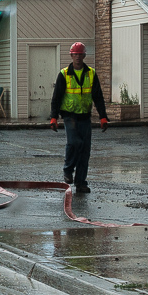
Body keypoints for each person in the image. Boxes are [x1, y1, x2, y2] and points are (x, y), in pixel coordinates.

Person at [49, 42, 107, 194]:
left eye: (80, 54)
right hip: (69, 115)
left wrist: (103, 117)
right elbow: (56, 97)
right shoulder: (64, 74)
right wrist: (54, 117)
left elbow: (98, 97)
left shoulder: (91, 73)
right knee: (74, 142)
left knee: (84, 150)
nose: (78, 57)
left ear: (84, 56)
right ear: (71, 56)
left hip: (84, 116)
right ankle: (68, 170)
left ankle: (80, 183)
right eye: (75, 55)